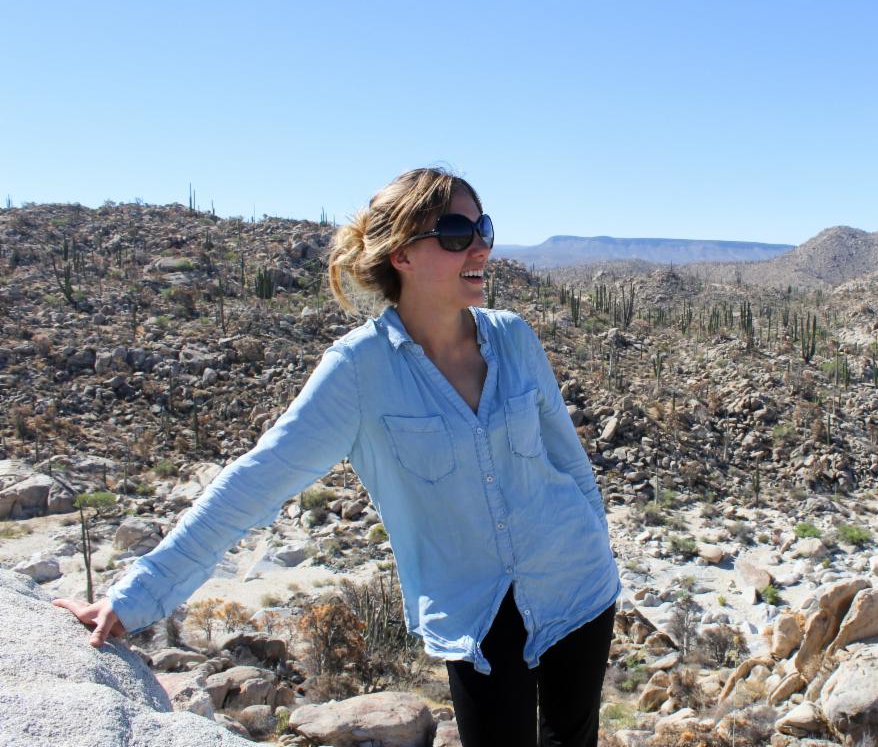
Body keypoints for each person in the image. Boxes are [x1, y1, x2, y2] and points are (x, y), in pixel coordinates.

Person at [53, 167, 621, 747]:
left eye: (485, 229)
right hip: (476, 613)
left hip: (576, 581)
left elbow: (569, 459)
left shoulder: (513, 337)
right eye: (457, 233)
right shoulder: (359, 371)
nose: (480, 248)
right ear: (401, 254)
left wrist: (598, 542)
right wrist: (135, 596)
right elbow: (255, 481)